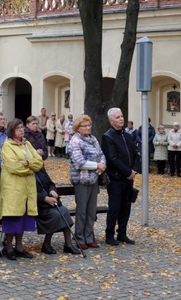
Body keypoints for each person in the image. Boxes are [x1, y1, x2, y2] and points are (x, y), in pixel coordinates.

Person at [0, 118, 43, 260]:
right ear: (12, 130)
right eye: (18, 128)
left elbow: (39, 163)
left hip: (27, 187)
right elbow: (13, 167)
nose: (21, 130)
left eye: (22, 127)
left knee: (24, 217)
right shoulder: (7, 146)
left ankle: (19, 246)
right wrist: (30, 168)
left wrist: (28, 163)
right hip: (13, 187)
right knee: (13, 216)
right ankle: (9, 246)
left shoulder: (27, 144)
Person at [100, 108, 141, 246]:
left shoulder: (128, 135)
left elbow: (136, 154)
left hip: (128, 178)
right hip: (116, 178)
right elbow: (112, 159)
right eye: (118, 117)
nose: (121, 119)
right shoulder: (108, 136)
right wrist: (128, 172)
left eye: (122, 116)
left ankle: (122, 233)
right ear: (111, 121)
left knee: (126, 206)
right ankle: (109, 234)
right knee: (115, 207)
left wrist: (134, 170)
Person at [67, 114, 106, 250]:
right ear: (78, 128)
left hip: (94, 179)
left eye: (89, 125)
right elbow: (79, 162)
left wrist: (102, 165)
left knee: (91, 211)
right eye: (85, 126)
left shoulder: (93, 139)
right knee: (82, 211)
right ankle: (79, 238)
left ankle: (89, 237)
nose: (88, 128)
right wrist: (97, 166)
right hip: (81, 180)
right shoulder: (75, 140)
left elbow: (101, 154)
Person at [36, 163, 80, 255]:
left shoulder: (40, 168)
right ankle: (46, 244)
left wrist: (52, 190)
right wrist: (45, 198)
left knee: (64, 211)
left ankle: (68, 245)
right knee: (55, 215)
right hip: (38, 205)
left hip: (50, 202)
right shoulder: (26, 173)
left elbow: (50, 183)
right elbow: (30, 193)